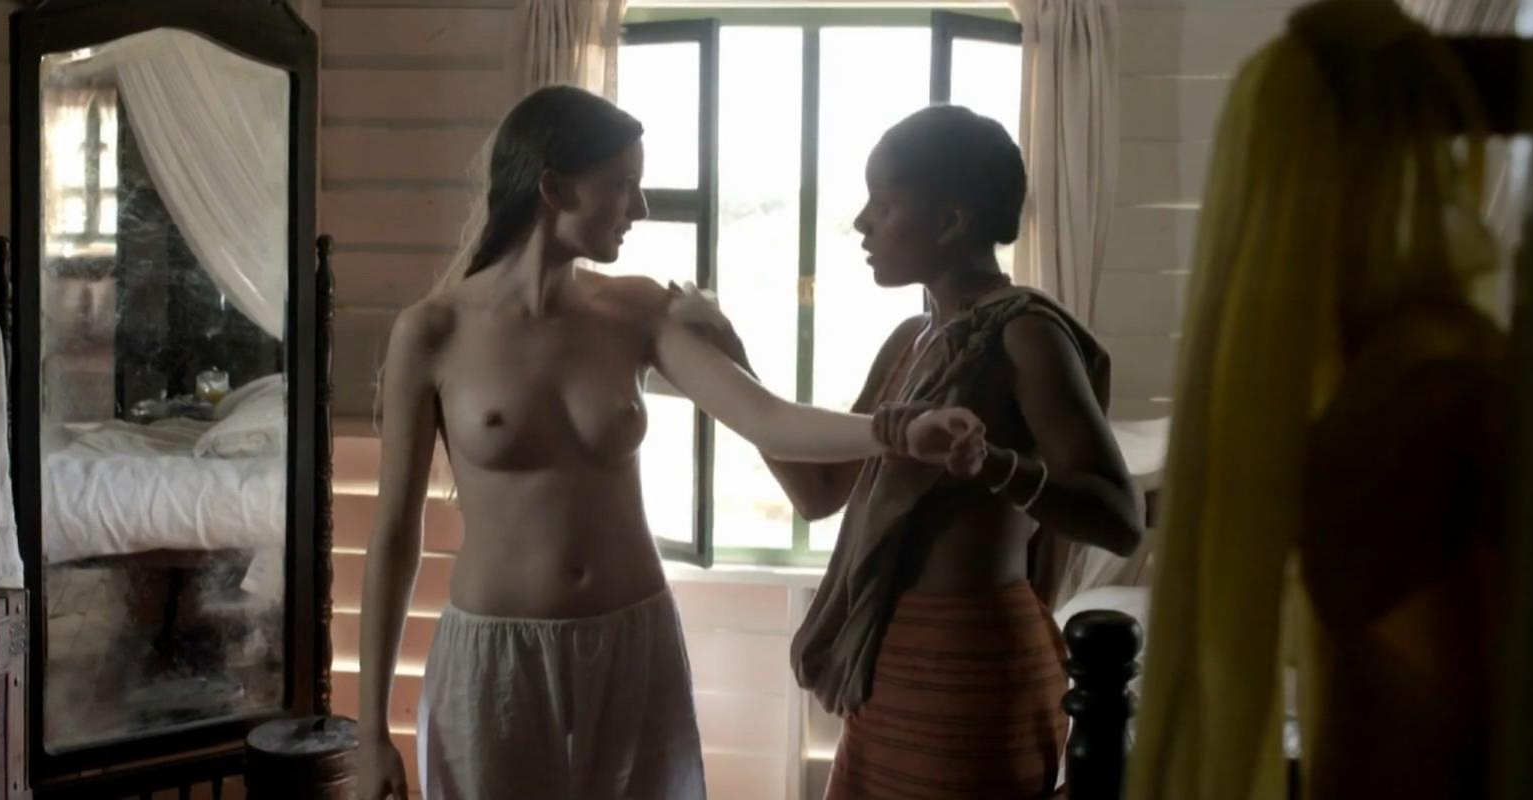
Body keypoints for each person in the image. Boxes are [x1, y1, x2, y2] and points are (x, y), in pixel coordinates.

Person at [357, 86, 987, 800]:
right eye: (623, 183)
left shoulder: (636, 310)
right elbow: (394, 535)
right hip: (495, 659)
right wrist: (371, 731)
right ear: (554, 187)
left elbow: (765, 417)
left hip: (633, 643)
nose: (642, 207)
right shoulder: (432, 331)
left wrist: (896, 431)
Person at [755, 105, 1146, 799]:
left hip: (973, 666)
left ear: (950, 222)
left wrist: (997, 466)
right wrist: (731, 371)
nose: (863, 223)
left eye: (883, 204)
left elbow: (1118, 517)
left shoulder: (1025, 333)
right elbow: (818, 492)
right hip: (889, 662)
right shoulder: (912, 340)